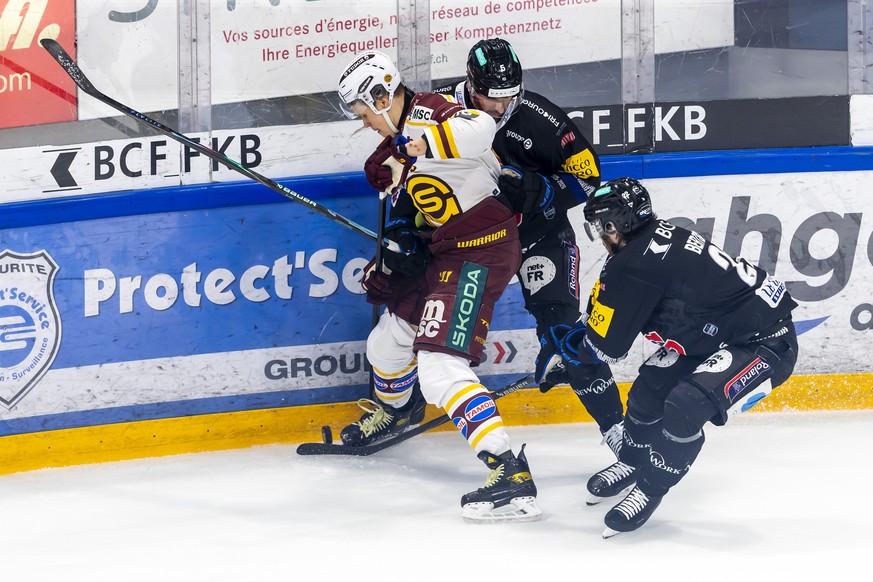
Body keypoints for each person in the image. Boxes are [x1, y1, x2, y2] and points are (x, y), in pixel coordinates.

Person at [335, 50, 541, 523]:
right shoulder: (398, 135)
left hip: (481, 250)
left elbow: (479, 130)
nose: (365, 123)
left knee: (439, 365)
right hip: (443, 250)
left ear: (383, 97)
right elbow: (386, 173)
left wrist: (419, 147)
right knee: (386, 343)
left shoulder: (431, 112)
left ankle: (507, 470)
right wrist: (396, 244)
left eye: (365, 112)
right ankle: (396, 411)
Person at [536, 177, 798, 537]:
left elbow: (609, 348)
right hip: (712, 335)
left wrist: (574, 357)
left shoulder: (632, 264)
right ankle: (633, 461)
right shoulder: (656, 236)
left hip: (763, 342)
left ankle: (650, 488)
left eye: (601, 226)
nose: (599, 235)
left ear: (618, 224)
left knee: (685, 404)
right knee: (647, 392)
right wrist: (584, 338)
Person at [436, 38, 625, 457]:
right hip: (473, 245)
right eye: (490, 98)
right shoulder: (439, 112)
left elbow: (590, 183)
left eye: (508, 98)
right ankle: (401, 401)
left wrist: (541, 190)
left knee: (563, 333)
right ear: (470, 84)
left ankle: (618, 431)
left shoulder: (544, 121)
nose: (500, 108)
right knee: (426, 321)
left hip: (539, 235)